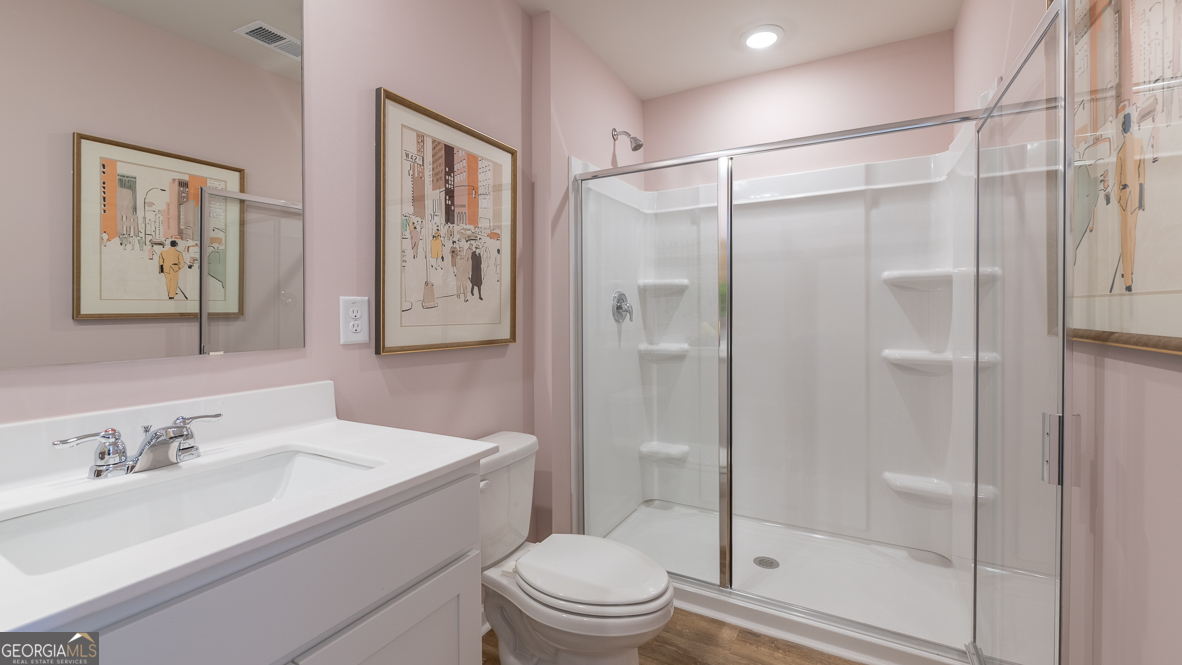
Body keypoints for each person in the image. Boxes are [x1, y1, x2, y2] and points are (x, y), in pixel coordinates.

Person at [1116, 111, 1145, 292]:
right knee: (1132, 236)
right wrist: (1142, 200)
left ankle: (1127, 279)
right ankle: (1131, 270)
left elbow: (1117, 178)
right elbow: (1142, 175)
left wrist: (1119, 197)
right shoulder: (1139, 144)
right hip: (1135, 199)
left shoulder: (1121, 150)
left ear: (1122, 128)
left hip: (1125, 199)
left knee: (1125, 238)